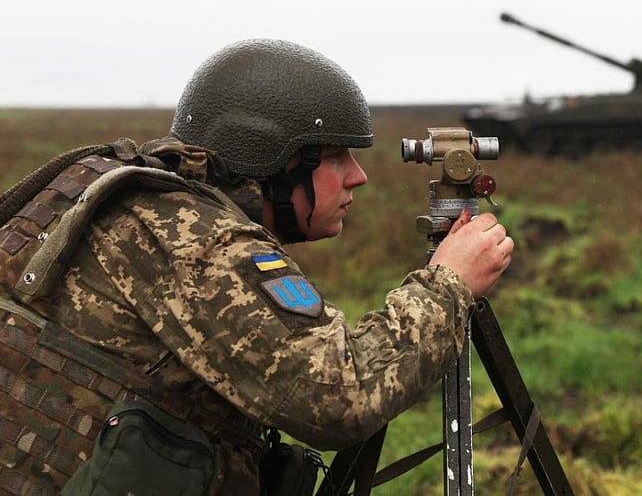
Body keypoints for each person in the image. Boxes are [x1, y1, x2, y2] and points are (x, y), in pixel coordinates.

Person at [0, 38, 513, 495]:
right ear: (273, 161)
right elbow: (339, 396)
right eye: (334, 157)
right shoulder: (197, 241)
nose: (357, 177)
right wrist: (448, 284)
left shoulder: (129, 193)